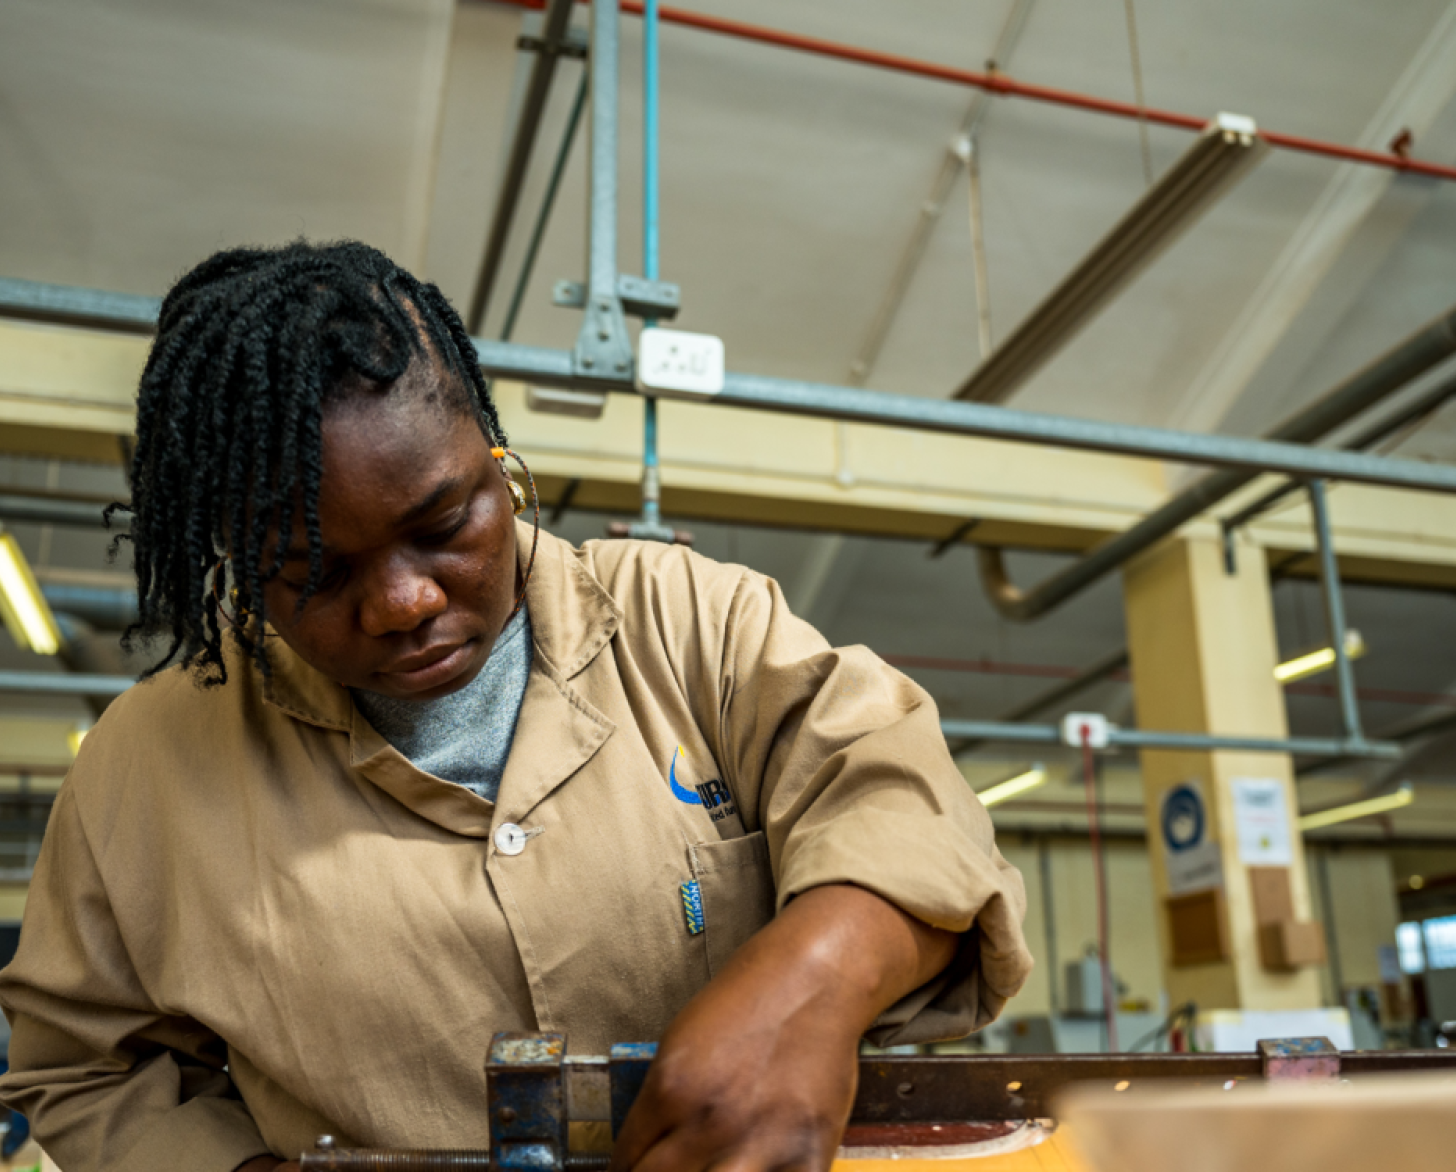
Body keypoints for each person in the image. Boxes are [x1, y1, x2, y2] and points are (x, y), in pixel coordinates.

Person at [0, 241, 1032, 1172]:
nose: (404, 599)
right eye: (313, 569)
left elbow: (904, 802)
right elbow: (85, 1069)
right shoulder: (144, 765)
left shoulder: (690, 621)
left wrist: (809, 986)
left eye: (445, 520)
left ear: (498, 460)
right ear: (239, 567)